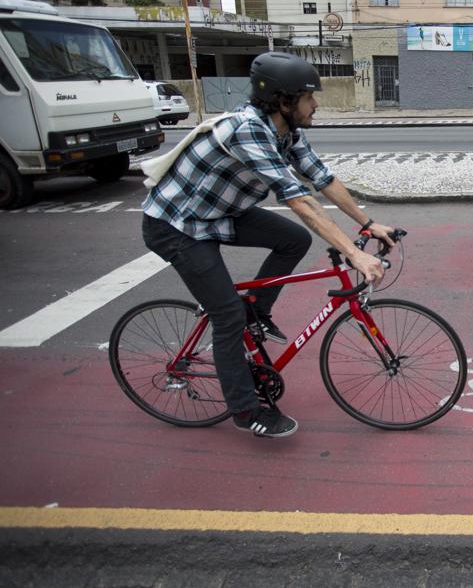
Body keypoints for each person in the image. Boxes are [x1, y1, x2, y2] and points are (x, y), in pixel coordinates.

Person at [141, 52, 394, 438]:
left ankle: (256, 311)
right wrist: (354, 253)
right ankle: (245, 410)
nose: (317, 104)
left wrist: (369, 222)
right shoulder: (248, 130)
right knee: (226, 316)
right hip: (178, 226)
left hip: (220, 213)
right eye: (309, 97)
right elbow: (300, 201)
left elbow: (321, 180)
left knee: (293, 238)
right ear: (283, 101)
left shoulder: (287, 132)